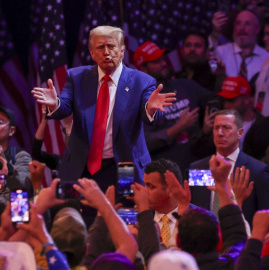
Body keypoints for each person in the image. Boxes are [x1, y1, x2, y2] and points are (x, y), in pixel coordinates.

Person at [31, 26, 175, 191]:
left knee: (125, 213)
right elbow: (64, 106)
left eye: (111, 46)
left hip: (124, 166)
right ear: (92, 53)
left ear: (121, 51)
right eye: (100, 47)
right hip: (82, 167)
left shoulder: (142, 81)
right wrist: (55, 104)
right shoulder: (77, 77)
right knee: (80, 215)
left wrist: (150, 109)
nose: (106, 52)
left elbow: (149, 117)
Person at [133, 41, 212, 173]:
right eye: (156, 61)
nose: (164, 64)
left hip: (198, 168)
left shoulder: (186, 85)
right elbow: (143, 142)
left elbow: (217, 100)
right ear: (143, 69)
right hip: (165, 175)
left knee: (203, 193)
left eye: (162, 59)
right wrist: (179, 127)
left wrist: (219, 75)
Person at [190, 109, 269, 227]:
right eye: (216, 128)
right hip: (203, 240)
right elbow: (195, 205)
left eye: (226, 128)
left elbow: (266, 214)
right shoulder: (199, 168)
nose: (220, 133)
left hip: (242, 240)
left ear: (240, 133)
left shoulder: (257, 170)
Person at [177, 155, 247, 270]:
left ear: (178, 241)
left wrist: (183, 206)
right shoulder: (197, 167)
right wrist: (225, 190)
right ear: (219, 238)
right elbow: (237, 239)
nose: (220, 135)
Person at [190, 76, 265, 160]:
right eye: (224, 100)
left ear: (247, 99)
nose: (226, 105)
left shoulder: (263, 126)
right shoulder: (221, 124)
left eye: (231, 100)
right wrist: (205, 132)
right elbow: (198, 153)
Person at [142, 159, 197, 247]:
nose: (144, 191)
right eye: (144, 185)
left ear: (170, 189)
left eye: (151, 187)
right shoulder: (138, 220)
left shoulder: (200, 219)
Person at [215, 10, 269, 82]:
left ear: (257, 28)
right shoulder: (220, 51)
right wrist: (215, 33)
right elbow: (213, 69)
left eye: (247, 24)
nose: (242, 28)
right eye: (238, 23)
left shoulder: (267, 57)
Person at [0, 106, 33, 205]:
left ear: (11, 131)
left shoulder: (20, 156)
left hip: (11, 211)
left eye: (0, 122)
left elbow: (23, 186)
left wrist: (4, 162)